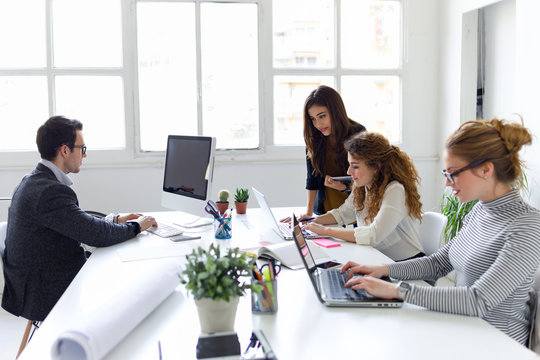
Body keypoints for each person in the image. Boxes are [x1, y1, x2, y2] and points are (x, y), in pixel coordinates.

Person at [341, 118, 540, 346]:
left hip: (496, 344)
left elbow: (478, 300)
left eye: (452, 173)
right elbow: (438, 263)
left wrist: (396, 290)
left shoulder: (526, 226)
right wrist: (382, 269)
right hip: (466, 328)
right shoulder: (479, 211)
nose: (447, 183)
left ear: (486, 170)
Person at [1, 116, 158, 322]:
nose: (85, 155)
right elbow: (95, 235)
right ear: (65, 150)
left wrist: (115, 219)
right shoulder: (49, 191)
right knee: (128, 278)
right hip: (45, 290)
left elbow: (76, 221)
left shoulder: (34, 180)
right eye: (82, 149)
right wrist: (136, 226)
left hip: (34, 280)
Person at [302, 131, 424, 261]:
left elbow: (373, 235)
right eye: (349, 165)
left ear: (376, 166)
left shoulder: (395, 190)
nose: (349, 171)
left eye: (355, 166)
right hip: (377, 259)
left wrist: (325, 231)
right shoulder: (363, 186)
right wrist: (310, 222)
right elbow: (342, 214)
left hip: (407, 264)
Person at [302, 85, 366, 217]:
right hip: (325, 213)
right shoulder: (314, 138)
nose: (318, 124)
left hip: (354, 212)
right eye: (313, 119)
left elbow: (368, 178)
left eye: (322, 116)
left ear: (335, 111)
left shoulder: (358, 133)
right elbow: (312, 178)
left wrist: (345, 188)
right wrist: (308, 214)